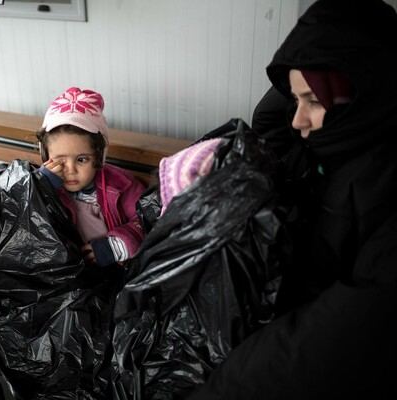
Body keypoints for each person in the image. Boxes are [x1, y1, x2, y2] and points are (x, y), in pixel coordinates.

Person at [186, 0, 397, 398]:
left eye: (313, 102)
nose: (298, 120)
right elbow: (269, 124)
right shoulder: (332, 143)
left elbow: (335, 339)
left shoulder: (376, 180)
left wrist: (219, 388)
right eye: (294, 99)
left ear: (366, 93)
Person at [36, 87, 145, 267]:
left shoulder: (121, 185)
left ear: (98, 156)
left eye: (81, 159)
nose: (70, 170)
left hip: (112, 271)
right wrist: (42, 187)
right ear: (46, 156)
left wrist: (116, 245)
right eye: (60, 161)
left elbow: (147, 219)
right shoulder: (44, 183)